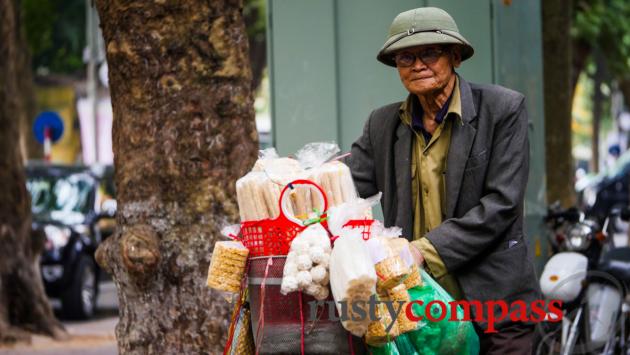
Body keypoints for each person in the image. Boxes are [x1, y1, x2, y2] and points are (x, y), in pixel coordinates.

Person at [347, 7, 540, 354]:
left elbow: (502, 204)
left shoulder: (502, 109)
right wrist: (303, 178)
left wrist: (421, 251)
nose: (418, 64)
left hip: (495, 302)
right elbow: (346, 187)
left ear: (455, 57)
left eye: (430, 52)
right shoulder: (382, 123)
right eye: (406, 57)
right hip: (422, 309)